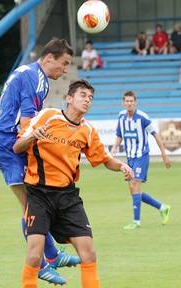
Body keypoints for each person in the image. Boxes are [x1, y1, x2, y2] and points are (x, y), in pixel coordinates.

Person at [13, 80, 134, 288]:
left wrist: (122, 166)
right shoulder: (47, 116)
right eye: (83, 95)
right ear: (69, 98)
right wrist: (34, 135)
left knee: (89, 253)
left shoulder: (87, 130)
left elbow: (105, 159)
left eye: (90, 97)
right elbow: (17, 147)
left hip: (68, 197)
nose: (87, 100)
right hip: (39, 194)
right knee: (34, 255)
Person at [0, 38, 80, 285]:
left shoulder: (37, 78)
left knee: (37, 201)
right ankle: (42, 265)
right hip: (3, 144)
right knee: (30, 204)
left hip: (7, 142)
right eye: (64, 63)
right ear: (49, 58)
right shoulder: (34, 78)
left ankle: (53, 255)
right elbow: (27, 127)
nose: (65, 70)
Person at [111, 91, 171, 230]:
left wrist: (164, 155)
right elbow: (120, 134)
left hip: (142, 156)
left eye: (131, 101)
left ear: (135, 102)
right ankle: (162, 208)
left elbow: (156, 135)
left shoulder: (143, 118)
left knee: (135, 185)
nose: (129, 103)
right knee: (134, 190)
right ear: (123, 102)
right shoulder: (121, 117)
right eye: (127, 101)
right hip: (130, 157)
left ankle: (136, 222)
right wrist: (114, 148)